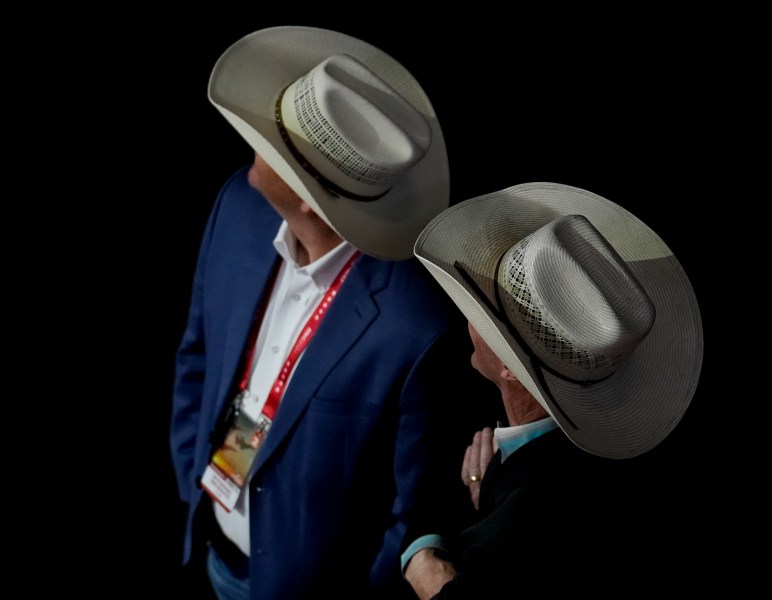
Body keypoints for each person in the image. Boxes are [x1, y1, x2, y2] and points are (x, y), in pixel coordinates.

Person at [169, 26, 500, 599]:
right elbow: (197, 353)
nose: (256, 135)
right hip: (209, 550)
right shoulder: (237, 207)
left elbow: (411, 508)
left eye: (275, 139)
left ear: (306, 195)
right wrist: (191, 475)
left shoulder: (416, 328)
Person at [401, 182, 705, 597]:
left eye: (480, 312)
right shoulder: (540, 471)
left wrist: (421, 561)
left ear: (509, 367)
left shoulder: (530, 512)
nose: (467, 321)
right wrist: (488, 485)